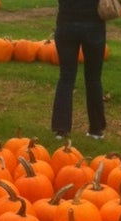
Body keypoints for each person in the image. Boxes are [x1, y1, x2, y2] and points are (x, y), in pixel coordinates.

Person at [51, 0, 107, 140]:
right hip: (93, 24)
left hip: (66, 23)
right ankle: (96, 128)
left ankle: (61, 128)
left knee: (66, 77)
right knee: (93, 78)